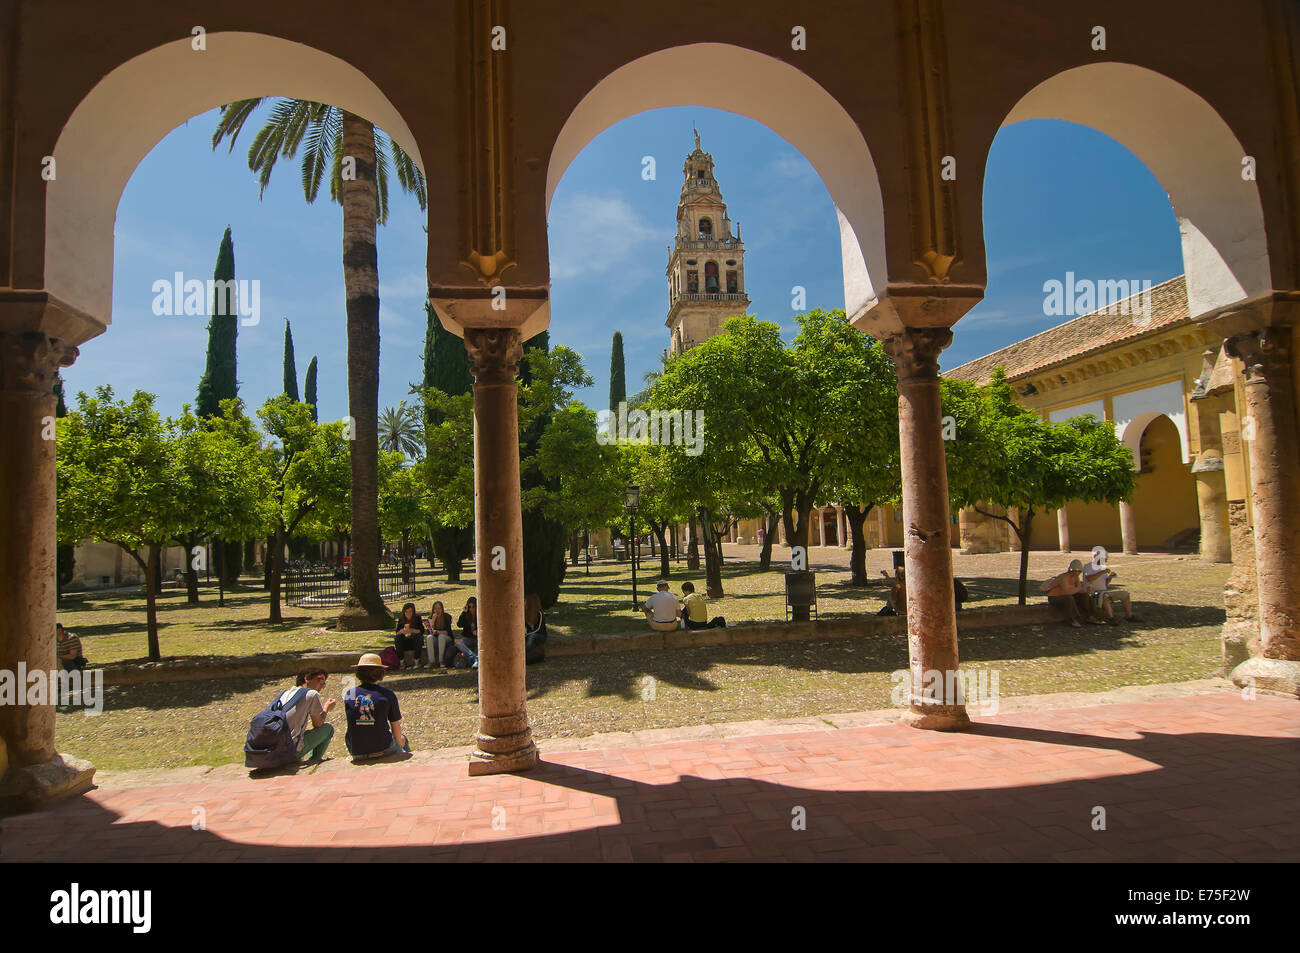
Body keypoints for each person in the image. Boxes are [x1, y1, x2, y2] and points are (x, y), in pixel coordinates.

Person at [343, 653, 410, 760]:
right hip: (383, 749)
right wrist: (400, 744)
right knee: (403, 739)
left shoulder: (349, 694)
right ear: (381, 673)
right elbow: (396, 728)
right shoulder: (387, 695)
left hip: (356, 751)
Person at [278, 668, 336, 762]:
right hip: (289, 752)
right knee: (328, 729)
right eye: (320, 680)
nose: (323, 685)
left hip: (274, 749)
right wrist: (326, 708)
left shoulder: (284, 694)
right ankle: (314, 760)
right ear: (307, 678)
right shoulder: (311, 694)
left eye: (324, 682)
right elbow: (318, 724)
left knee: (305, 733)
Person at [1043, 559, 1102, 627]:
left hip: (1068, 595)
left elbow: (1080, 590)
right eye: (1077, 571)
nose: (1079, 573)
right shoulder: (1063, 577)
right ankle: (1072, 619)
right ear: (1072, 570)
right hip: (1055, 597)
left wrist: (1087, 590)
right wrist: (1081, 587)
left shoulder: (1076, 577)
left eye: (1080, 571)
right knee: (1069, 598)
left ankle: (1090, 616)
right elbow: (1067, 592)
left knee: (1085, 596)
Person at [1082, 557, 1138, 623]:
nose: (1106, 560)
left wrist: (1109, 578)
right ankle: (1111, 618)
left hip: (1104, 591)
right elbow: (1089, 578)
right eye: (1104, 559)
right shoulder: (1088, 566)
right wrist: (1102, 572)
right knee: (1105, 597)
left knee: (1125, 594)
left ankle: (1129, 616)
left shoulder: (1102, 567)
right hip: (1093, 592)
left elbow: (1105, 584)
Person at [425, 600, 455, 670]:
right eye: (435, 608)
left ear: (442, 609)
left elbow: (447, 632)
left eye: (439, 608)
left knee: (441, 637)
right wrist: (432, 622)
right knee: (429, 637)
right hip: (436, 639)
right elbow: (430, 632)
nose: (437, 610)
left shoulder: (447, 617)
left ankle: (441, 661)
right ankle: (431, 661)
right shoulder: (431, 618)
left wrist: (438, 632)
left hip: (447, 639)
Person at [394, 602, 425, 669]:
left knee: (419, 637)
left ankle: (417, 660)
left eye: (410, 612)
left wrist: (411, 630)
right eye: (406, 612)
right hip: (405, 642)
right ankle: (401, 661)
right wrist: (402, 631)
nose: (408, 614)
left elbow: (421, 631)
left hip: (414, 641)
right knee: (397, 638)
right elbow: (397, 632)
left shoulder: (417, 618)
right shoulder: (401, 619)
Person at [456, 597, 480, 669]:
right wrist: (464, 612)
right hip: (468, 638)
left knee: (478, 647)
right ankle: (475, 658)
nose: (472, 609)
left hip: (477, 639)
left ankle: (475, 661)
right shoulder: (465, 615)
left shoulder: (480, 615)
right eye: (470, 607)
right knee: (459, 643)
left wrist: (478, 632)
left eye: (473, 607)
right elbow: (459, 624)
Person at [524, 593, 547, 663]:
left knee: (531, 636)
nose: (524, 603)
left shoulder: (539, 614)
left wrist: (527, 634)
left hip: (540, 635)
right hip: (529, 635)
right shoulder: (525, 615)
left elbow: (538, 629)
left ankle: (524, 654)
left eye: (525, 601)